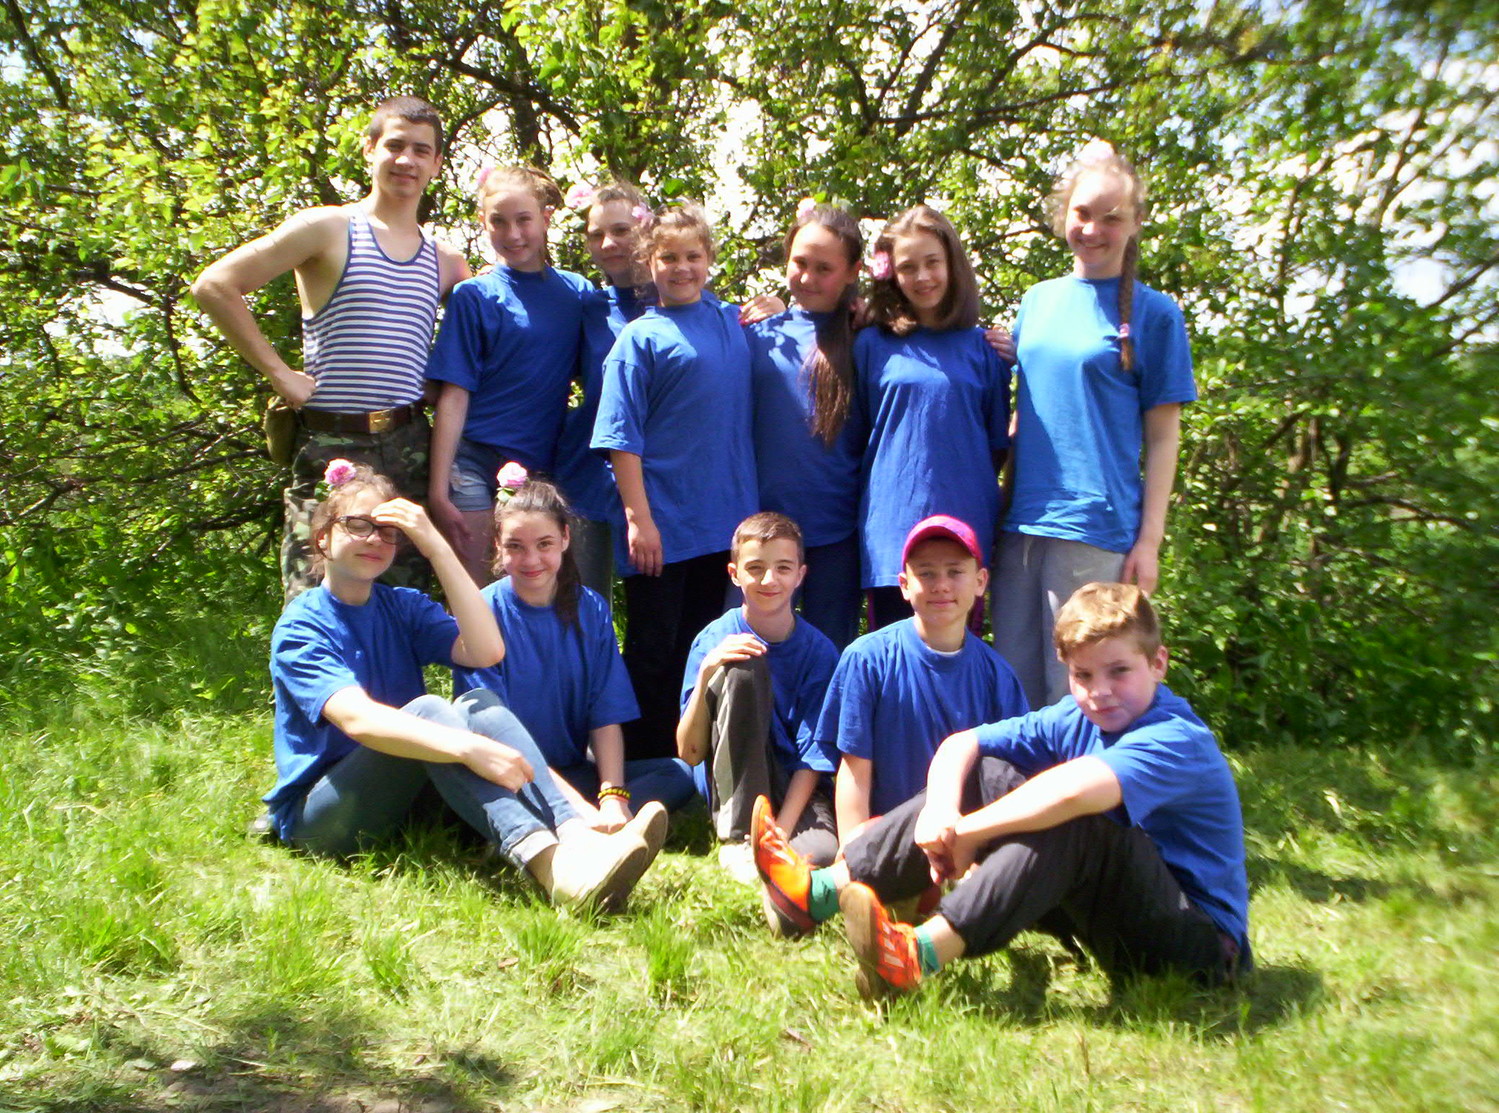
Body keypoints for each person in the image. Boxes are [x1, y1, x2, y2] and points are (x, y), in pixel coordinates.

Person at [754, 582, 1250, 1000]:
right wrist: (942, 813)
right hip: (1108, 918)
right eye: (1082, 675)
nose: (1099, 691)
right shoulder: (1076, 716)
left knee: (1075, 817)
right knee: (989, 770)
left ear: (1158, 663)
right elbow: (963, 744)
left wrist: (968, 832)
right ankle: (814, 895)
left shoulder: (1175, 737)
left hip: (1197, 947)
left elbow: (1074, 793)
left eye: (1119, 671)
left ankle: (914, 956)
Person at [263, 459, 665, 910]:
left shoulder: (402, 606)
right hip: (324, 819)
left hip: (407, 799)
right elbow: (359, 720)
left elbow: (486, 650)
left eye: (388, 530)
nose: (375, 539)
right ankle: (555, 869)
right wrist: (468, 748)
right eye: (358, 525)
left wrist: (438, 549)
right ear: (323, 537)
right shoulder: (303, 625)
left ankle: (578, 834)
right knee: (431, 710)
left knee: (478, 704)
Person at [191, 95, 471, 601]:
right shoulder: (327, 228)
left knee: (403, 608)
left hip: (409, 450)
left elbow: (476, 344)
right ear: (369, 149)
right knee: (315, 604)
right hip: (331, 447)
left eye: (421, 150)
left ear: (436, 164)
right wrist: (279, 373)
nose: (406, 160)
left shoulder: (447, 262)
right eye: (395, 145)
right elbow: (214, 286)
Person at [994, 141, 1197, 707]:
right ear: (1064, 213)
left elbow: (1164, 438)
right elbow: (1034, 405)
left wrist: (1149, 541)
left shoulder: (1156, 315)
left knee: (1081, 693)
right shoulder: (1037, 301)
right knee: (1015, 689)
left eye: (1112, 217)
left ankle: (1097, 774)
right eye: (1082, 213)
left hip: (1095, 528)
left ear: (1136, 224)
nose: (1093, 229)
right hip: (1020, 521)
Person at [591, 201, 758, 761]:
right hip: (662, 526)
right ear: (648, 263)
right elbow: (620, 438)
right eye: (668, 258)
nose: (682, 268)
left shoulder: (730, 321)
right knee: (654, 650)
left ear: (709, 259)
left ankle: (694, 764)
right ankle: (636, 764)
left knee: (705, 646)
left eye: (693, 256)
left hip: (724, 523)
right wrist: (639, 520)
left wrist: (777, 304)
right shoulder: (639, 339)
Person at [451, 474, 696, 829]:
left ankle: (602, 825)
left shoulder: (591, 608)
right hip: (511, 774)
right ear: (498, 546)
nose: (531, 559)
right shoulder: (481, 613)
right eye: (515, 546)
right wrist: (577, 806)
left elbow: (605, 713)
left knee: (678, 773)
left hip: (573, 772)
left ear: (565, 538)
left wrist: (613, 797)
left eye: (544, 544)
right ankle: (578, 825)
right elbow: (495, 735)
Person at [425, 166, 594, 585]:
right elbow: (454, 395)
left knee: (531, 587)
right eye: (499, 221)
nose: (513, 234)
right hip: (472, 460)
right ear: (483, 222)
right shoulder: (474, 296)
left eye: (524, 220)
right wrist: (437, 488)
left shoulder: (577, 294)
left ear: (546, 219)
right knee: (475, 589)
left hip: (538, 467)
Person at [818, 516, 1028, 852]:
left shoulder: (998, 675)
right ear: (903, 584)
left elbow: (1008, 779)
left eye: (955, 572)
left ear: (980, 581)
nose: (941, 585)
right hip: (885, 838)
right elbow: (854, 770)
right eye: (926, 573)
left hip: (963, 838)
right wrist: (853, 853)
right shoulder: (867, 658)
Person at [854, 205, 1011, 630]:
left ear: (952, 264)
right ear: (892, 274)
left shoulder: (985, 349)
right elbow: (858, 436)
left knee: (958, 658)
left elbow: (996, 446)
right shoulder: (869, 344)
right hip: (892, 531)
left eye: (932, 263)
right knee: (893, 659)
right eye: (908, 267)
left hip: (964, 528)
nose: (922, 277)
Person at [677, 512, 841, 880]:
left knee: (820, 853)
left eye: (783, 568)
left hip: (791, 786)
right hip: (732, 780)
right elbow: (689, 752)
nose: (769, 580)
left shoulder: (819, 652)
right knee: (743, 666)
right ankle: (740, 836)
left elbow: (811, 758)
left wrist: (779, 831)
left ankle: (766, 842)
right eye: (755, 568)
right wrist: (707, 673)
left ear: (800, 575)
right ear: (734, 573)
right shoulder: (712, 640)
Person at [745, 202, 866, 650]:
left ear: (853, 271)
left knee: (830, 655)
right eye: (800, 263)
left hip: (837, 533)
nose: (808, 278)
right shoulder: (761, 334)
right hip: (762, 531)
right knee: (754, 656)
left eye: (824, 268)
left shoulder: (867, 338)